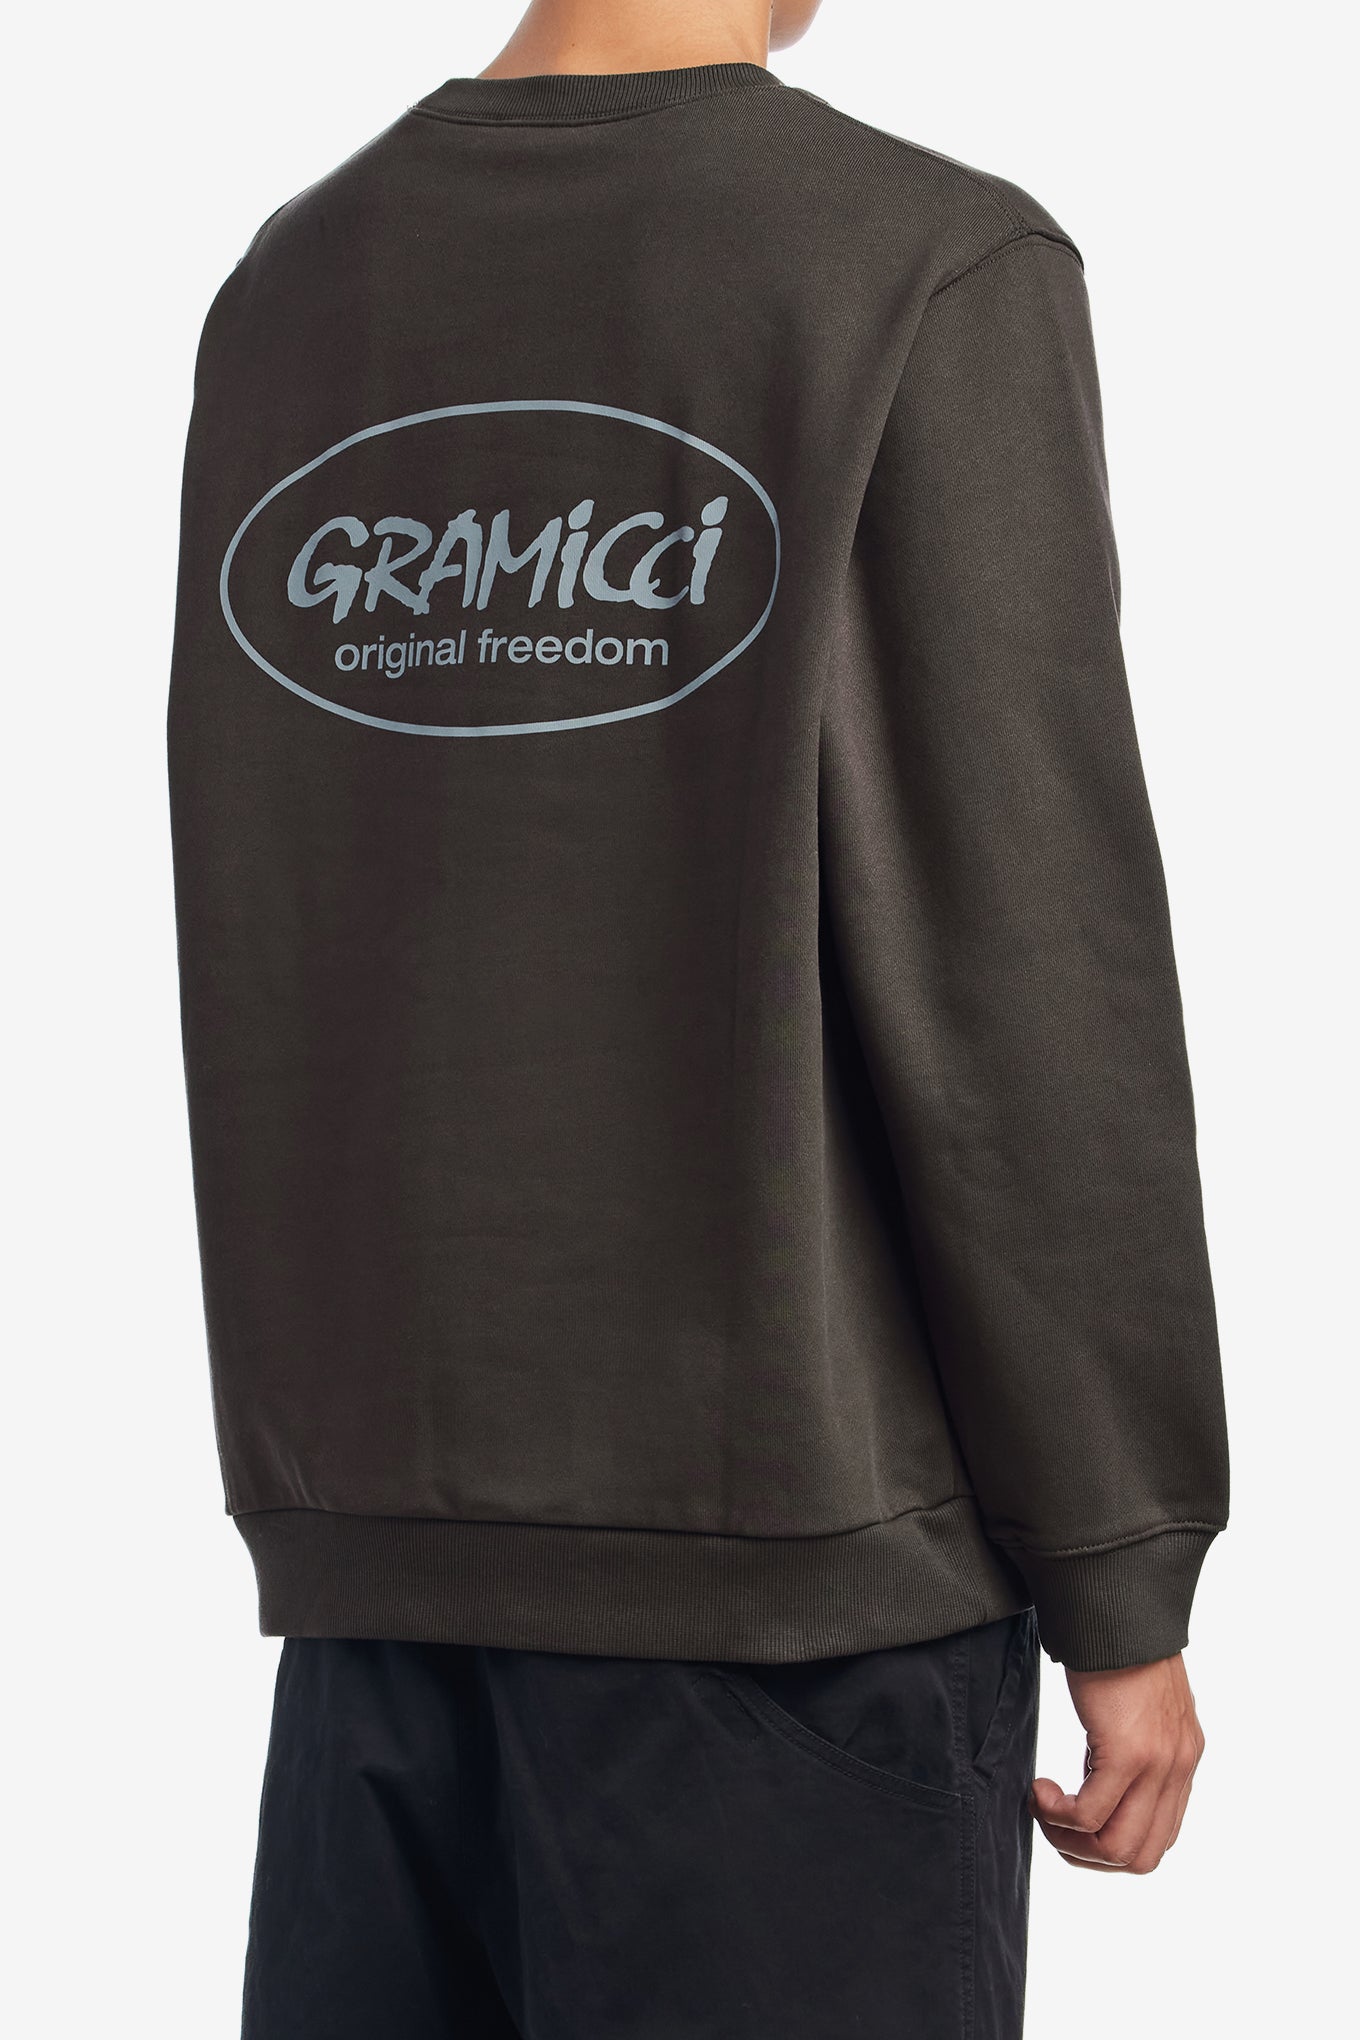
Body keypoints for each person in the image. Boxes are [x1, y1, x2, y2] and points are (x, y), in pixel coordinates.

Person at [166, 0, 1230, 2033]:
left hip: (376, 1611)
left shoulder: (295, 283)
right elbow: (1023, 953)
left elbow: (286, 897)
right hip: (790, 1615)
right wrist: (1120, 1557)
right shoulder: (915, 261)